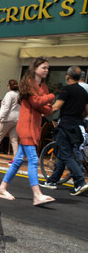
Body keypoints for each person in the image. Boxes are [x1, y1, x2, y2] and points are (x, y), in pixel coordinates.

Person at [0, 57, 55, 206]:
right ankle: (37, 195)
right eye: (44, 67)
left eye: (48, 68)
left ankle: (2, 188)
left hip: (35, 127)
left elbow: (47, 109)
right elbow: (37, 103)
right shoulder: (29, 84)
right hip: (26, 126)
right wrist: (51, 97)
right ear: (35, 69)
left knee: (17, 161)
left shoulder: (44, 88)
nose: (46, 70)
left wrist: (43, 102)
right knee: (33, 160)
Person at [40, 66, 88, 196]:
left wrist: (43, 113)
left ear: (67, 76)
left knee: (66, 155)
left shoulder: (67, 89)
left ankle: (80, 181)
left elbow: (56, 107)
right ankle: (52, 181)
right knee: (62, 154)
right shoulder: (84, 92)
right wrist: (78, 118)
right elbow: (86, 111)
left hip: (66, 126)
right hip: (78, 127)